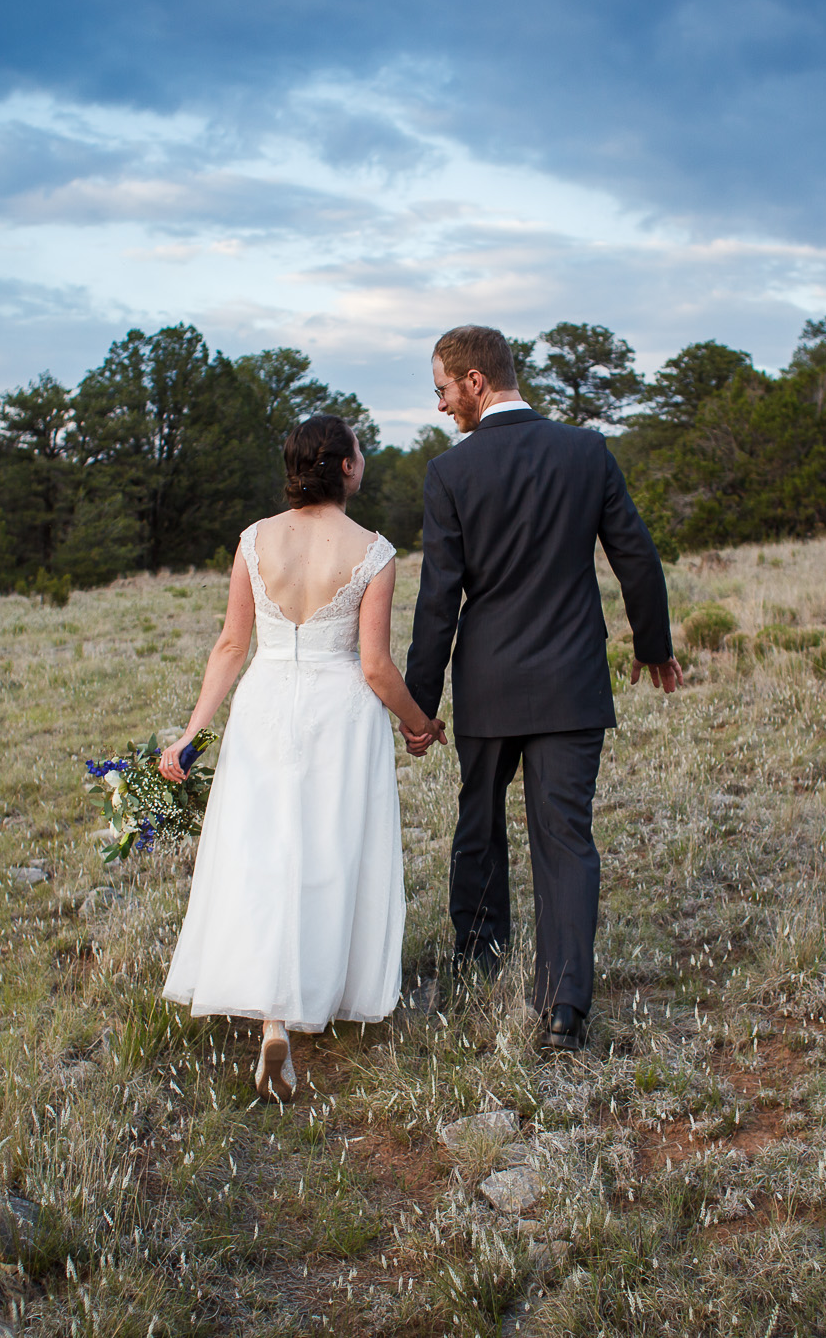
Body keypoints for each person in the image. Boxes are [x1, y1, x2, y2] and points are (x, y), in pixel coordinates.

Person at [404, 325, 682, 1055]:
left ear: (474, 381)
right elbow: (638, 556)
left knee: (479, 825)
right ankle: (565, 1007)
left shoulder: (451, 475)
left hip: (490, 684)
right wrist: (654, 646)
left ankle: (479, 962)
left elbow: (439, 601)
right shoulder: (585, 452)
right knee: (565, 837)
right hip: (571, 681)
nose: (439, 407)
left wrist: (418, 703)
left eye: (440, 388)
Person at [157, 414, 447, 1102]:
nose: (364, 456)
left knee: (264, 848)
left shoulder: (254, 541)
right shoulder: (373, 551)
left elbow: (231, 645)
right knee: (326, 850)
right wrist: (419, 724)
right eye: (359, 449)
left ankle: (273, 1016)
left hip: (263, 705)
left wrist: (191, 733)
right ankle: (313, 990)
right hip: (338, 712)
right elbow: (375, 666)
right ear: (344, 466)